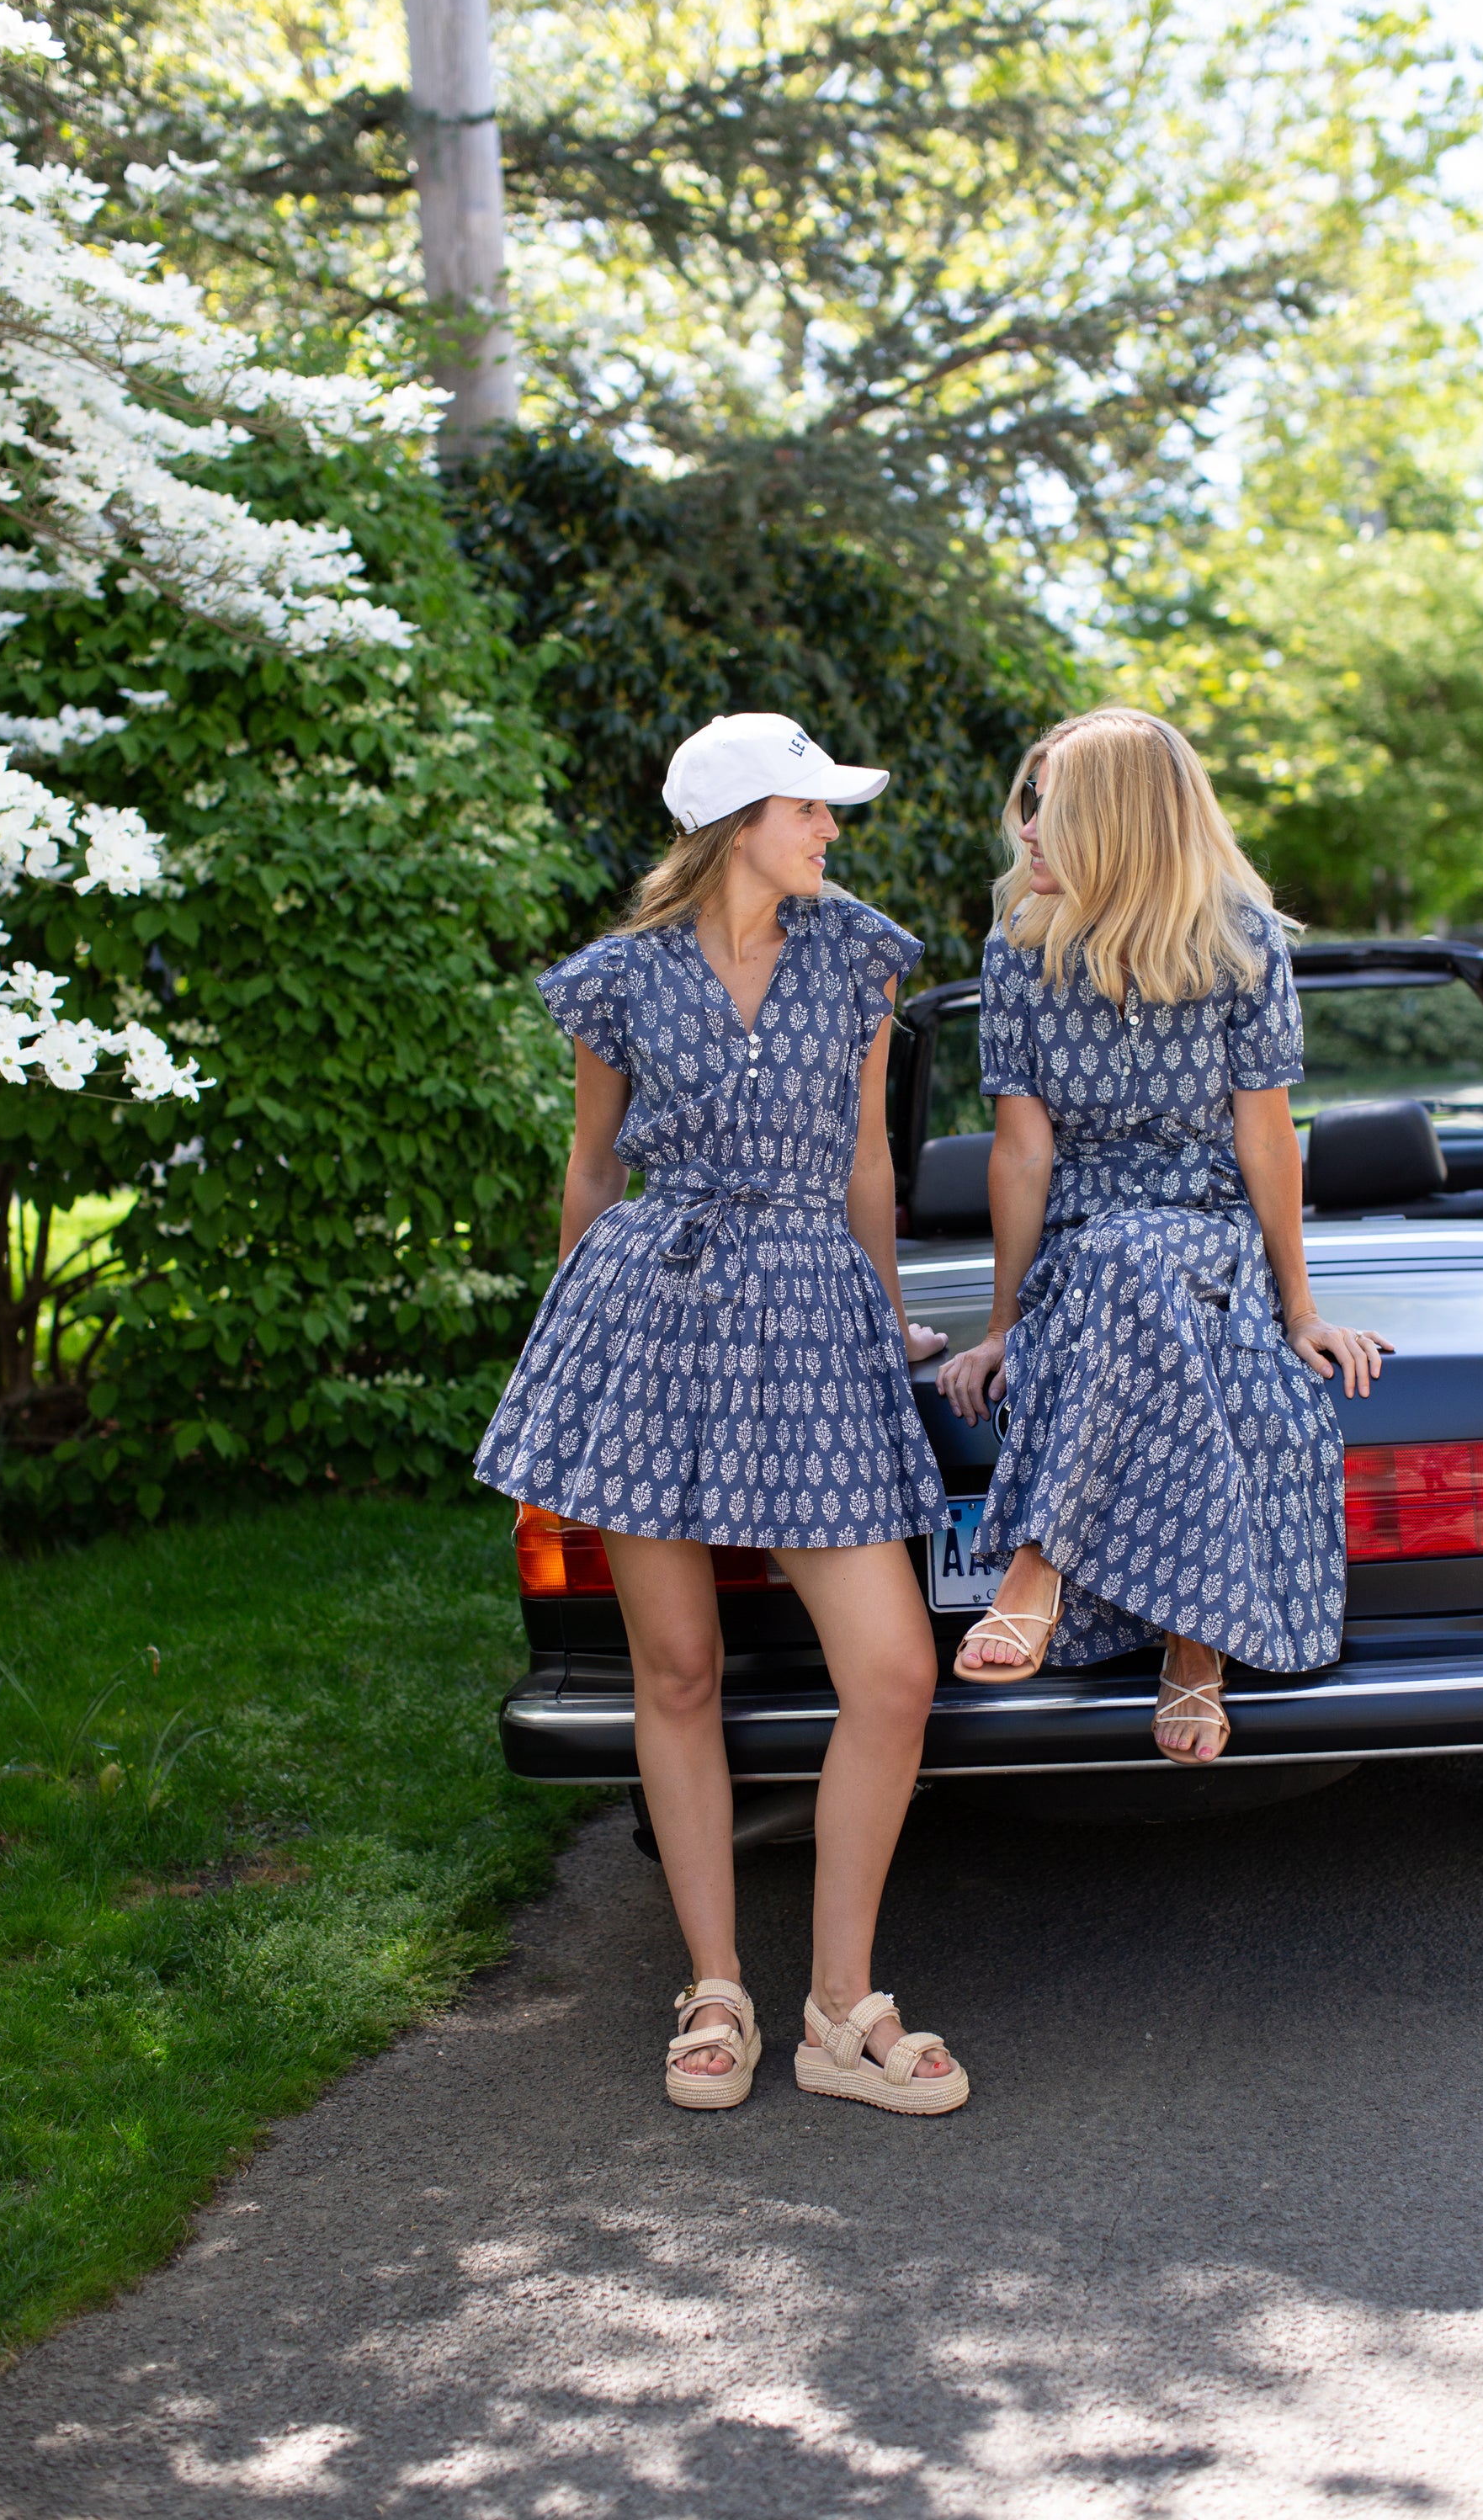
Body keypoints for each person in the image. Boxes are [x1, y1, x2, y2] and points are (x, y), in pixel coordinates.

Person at [476, 714, 969, 2115]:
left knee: (890, 1673)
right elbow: (590, 1172)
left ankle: (838, 2009)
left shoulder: (860, 955)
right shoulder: (620, 981)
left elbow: (870, 1159)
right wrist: (571, 1343)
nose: (830, 830)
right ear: (736, 822)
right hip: (651, 1308)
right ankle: (713, 1989)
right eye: (808, 810)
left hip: (815, 1309)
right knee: (677, 1668)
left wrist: (882, 1313)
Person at [937, 708, 1390, 1762]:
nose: (1028, 830)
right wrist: (1005, 1324)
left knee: (1135, 1253)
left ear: (1118, 819)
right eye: (1029, 805)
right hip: (1081, 1248)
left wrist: (1298, 1307)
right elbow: (1021, 1156)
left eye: (1049, 808)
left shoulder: (1240, 946)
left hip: (1207, 1237)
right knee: (1113, 1256)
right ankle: (1193, 1650)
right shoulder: (1018, 955)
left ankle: (1038, 1562)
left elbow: (1267, 1143)